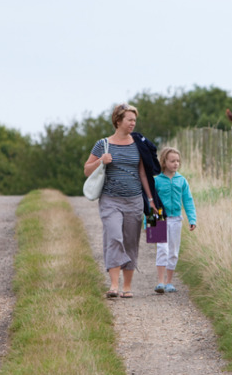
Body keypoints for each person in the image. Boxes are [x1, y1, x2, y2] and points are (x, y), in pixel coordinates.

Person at [83, 103, 162, 298]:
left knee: (130, 242)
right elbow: (86, 170)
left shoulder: (138, 144)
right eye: (129, 120)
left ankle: (127, 287)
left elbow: (143, 174)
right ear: (118, 121)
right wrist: (101, 160)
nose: (133, 123)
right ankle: (113, 285)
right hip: (110, 200)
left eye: (135, 120)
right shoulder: (103, 144)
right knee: (114, 237)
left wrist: (150, 200)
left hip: (134, 201)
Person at [153, 147, 197, 293]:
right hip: (159, 217)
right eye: (172, 161)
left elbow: (188, 201)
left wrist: (192, 219)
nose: (176, 164)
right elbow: (150, 202)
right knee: (162, 249)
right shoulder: (156, 181)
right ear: (164, 162)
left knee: (173, 251)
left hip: (176, 219)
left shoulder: (181, 180)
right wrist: (149, 222)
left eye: (178, 161)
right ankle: (160, 282)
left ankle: (169, 282)